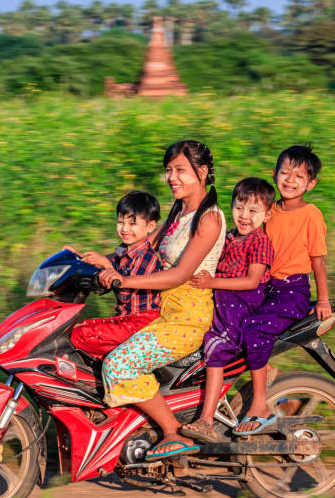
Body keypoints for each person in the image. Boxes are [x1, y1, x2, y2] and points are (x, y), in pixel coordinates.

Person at [99, 140, 225, 459]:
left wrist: (124, 279)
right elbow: (142, 247)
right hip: (161, 309)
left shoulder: (208, 218)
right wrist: (99, 262)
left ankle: (171, 432)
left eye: (180, 170)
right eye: (169, 171)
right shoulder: (180, 210)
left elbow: (180, 274)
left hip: (187, 317)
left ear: (203, 172)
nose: (172, 178)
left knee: (120, 364)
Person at [233, 144, 331, 434]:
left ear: (310, 184)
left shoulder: (311, 214)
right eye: (285, 172)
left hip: (293, 290)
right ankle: (275, 390)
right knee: (228, 327)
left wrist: (322, 299)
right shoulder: (268, 210)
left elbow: (318, 261)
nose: (290, 180)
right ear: (274, 174)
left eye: (299, 176)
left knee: (254, 327)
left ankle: (260, 404)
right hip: (264, 286)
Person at [181, 178, 275, 442]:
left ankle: (207, 419)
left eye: (253, 211)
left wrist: (211, 282)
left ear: (267, 214)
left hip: (242, 304)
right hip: (221, 300)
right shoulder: (229, 236)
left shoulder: (260, 241)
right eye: (238, 208)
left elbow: (251, 281)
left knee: (216, 346)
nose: (244, 216)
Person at [69, 191, 163, 359]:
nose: (125, 229)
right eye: (120, 222)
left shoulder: (146, 258)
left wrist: (106, 266)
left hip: (141, 323)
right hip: (125, 320)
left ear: (150, 226)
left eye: (132, 223)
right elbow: (105, 264)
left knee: (80, 335)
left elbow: (125, 292)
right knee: (76, 330)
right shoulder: (123, 251)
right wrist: (77, 257)